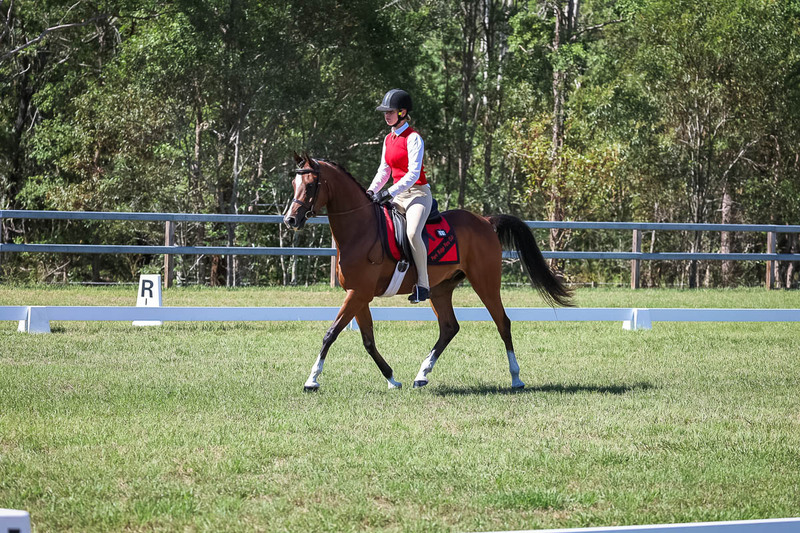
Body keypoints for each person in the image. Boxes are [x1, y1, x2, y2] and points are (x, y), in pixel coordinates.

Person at [367, 89, 432, 304]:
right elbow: (384, 170)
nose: (386, 115)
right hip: (397, 195)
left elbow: (413, 174)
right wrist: (371, 191)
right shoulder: (388, 138)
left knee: (413, 233)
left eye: (390, 111)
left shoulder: (413, 138)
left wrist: (388, 192)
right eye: (385, 112)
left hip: (417, 195)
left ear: (403, 112)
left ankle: (423, 285)